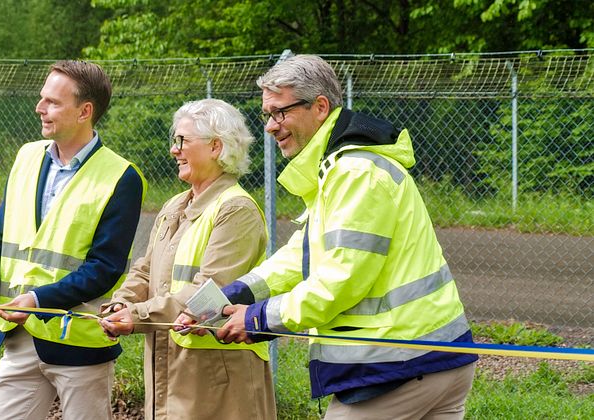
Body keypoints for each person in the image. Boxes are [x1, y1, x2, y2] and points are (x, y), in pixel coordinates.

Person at [203, 55, 478, 419]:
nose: (271, 126)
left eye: (279, 113)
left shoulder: (354, 172)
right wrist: (234, 294)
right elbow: (303, 255)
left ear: (319, 107)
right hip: (431, 358)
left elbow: (340, 280)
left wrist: (259, 318)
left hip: (397, 365)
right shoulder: (341, 168)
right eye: (267, 116)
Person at [0, 60, 145, 420]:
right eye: (41, 99)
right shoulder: (26, 157)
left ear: (85, 111)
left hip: (79, 344)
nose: (40, 108)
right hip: (19, 339)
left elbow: (105, 268)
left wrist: (36, 299)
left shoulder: (122, 177)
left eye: (52, 102)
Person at [99, 98, 277, 420]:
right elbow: (145, 269)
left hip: (218, 379)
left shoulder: (236, 209)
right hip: (171, 367)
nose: (174, 150)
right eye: (174, 141)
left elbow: (211, 291)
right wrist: (120, 304)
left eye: (182, 141)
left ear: (215, 147)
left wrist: (136, 314)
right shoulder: (174, 205)